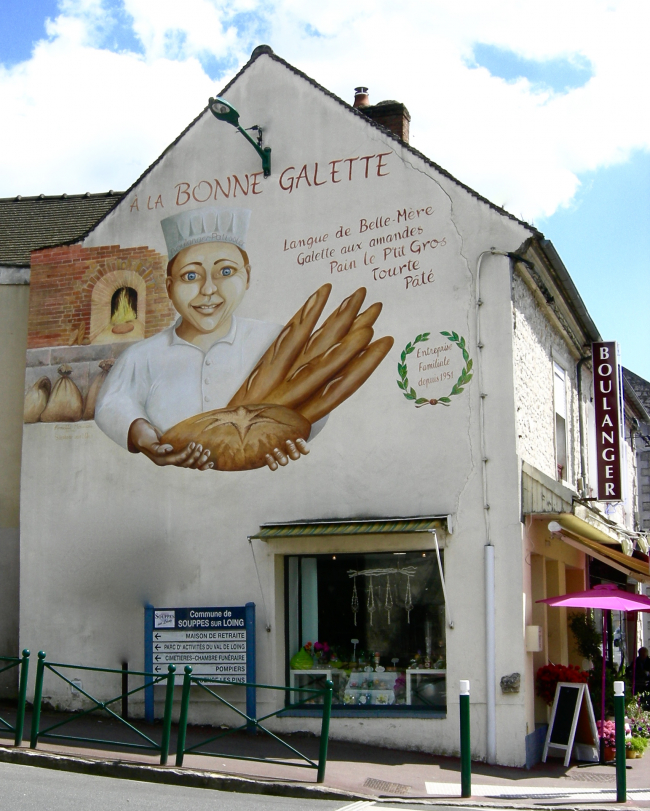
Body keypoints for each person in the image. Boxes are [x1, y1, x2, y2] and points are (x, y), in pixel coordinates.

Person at [95, 207, 310, 471]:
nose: (208, 289)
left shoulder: (277, 341)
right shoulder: (142, 356)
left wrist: (293, 434)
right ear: (170, 287)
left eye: (227, 272)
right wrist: (142, 435)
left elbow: (314, 393)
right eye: (191, 276)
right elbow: (113, 404)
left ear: (248, 277)